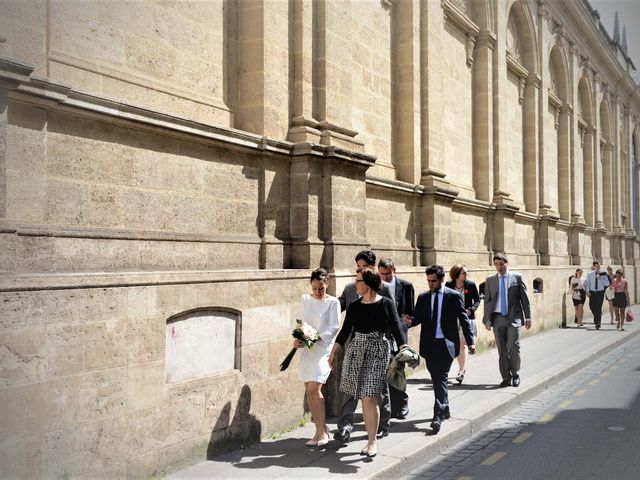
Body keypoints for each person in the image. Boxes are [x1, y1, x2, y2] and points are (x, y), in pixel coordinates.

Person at [328, 268, 407, 458]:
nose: (355, 284)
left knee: (370, 396)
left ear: (369, 283)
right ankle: (371, 439)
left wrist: (404, 349)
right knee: (363, 397)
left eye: (358, 281)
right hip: (356, 351)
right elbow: (345, 331)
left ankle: (372, 442)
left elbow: (397, 328)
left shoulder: (386, 304)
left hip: (379, 351)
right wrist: (333, 352)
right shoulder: (354, 306)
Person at [406, 265, 475, 434]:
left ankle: (437, 417)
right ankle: (445, 408)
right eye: (428, 281)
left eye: (433, 281)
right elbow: (418, 317)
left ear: (442, 279)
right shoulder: (423, 297)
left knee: (441, 377)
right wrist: (409, 321)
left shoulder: (453, 296)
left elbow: (463, 319)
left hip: (446, 344)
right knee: (437, 378)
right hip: (429, 345)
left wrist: (470, 341)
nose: (430, 284)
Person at [334, 250, 394, 445]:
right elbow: (337, 307)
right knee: (349, 390)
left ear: (372, 267)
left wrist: (397, 346)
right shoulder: (350, 288)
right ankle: (345, 428)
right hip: (355, 345)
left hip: (378, 348)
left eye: (363, 267)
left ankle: (383, 423)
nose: (359, 271)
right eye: (357, 267)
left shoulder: (383, 288)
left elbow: (392, 318)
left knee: (377, 390)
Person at [294, 268, 341, 446]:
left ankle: (322, 432)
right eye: (315, 288)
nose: (318, 291)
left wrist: (316, 337)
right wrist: (298, 339)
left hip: (323, 349)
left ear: (327, 284)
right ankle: (319, 431)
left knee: (315, 388)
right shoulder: (305, 299)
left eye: (321, 288)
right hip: (307, 350)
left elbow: (334, 327)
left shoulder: (333, 302)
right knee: (309, 390)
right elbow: (301, 322)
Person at [482, 253, 532, 388]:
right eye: (496, 264)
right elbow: (487, 301)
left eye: (501, 264)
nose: (499, 267)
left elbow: (524, 299)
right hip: (497, 318)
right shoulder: (490, 280)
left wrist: (528, 317)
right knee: (502, 350)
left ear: (506, 263)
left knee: (514, 347)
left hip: (513, 317)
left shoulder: (517, 277)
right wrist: (486, 319)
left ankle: (515, 374)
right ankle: (506, 377)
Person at [378, 257, 415, 419]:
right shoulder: (377, 287)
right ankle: (390, 406)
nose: (385, 277)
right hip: (384, 333)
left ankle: (402, 404)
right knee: (387, 369)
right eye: (381, 274)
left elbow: (409, 311)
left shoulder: (406, 286)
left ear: (394, 270)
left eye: (387, 273)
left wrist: (405, 324)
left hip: (399, 333)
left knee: (398, 368)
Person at [445, 264, 480, 384]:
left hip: (467, 318)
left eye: (466, 273)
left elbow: (477, 300)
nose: (466, 275)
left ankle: (461, 371)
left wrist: (471, 309)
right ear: (456, 275)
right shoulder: (448, 285)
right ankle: (459, 369)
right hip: (453, 319)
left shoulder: (470, 285)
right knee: (458, 345)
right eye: (464, 273)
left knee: (463, 344)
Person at [586, 261, 610, 330]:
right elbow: (588, 283)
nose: (598, 267)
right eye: (596, 266)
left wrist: (601, 279)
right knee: (591, 306)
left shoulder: (603, 274)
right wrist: (587, 291)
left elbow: (607, 283)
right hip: (592, 292)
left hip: (600, 292)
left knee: (599, 307)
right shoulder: (590, 274)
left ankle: (598, 322)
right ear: (593, 266)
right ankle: (596, 317)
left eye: (599, 266)